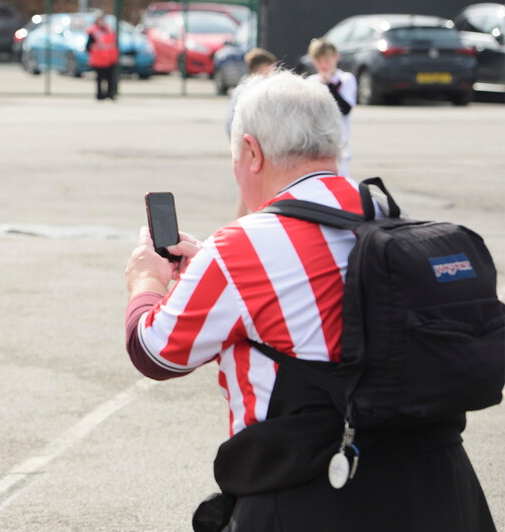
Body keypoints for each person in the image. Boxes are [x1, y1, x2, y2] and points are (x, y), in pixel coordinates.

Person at [123, 70, 494, 531]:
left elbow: (155, 352)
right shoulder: (388, 220)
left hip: (313, 494)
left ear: (252, 153)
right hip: (442, 488)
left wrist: (146, 282)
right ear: (333, 146)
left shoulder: (241, 248)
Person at [225, 47, 276, 218]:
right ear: (263, 68)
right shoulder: (257, 88)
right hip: (254, 147)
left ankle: (240, 225)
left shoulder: (242, 87)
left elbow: (230, 120)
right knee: (259, 191)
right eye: (272, 68)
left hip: (244, 146)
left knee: (246, 192)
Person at [307, 38, 356, 177]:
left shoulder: (346, 79)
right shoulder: (311, 81)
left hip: (339, 146)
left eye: (327, 60)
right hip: (315, 147)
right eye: (318, 61)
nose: (323, 65)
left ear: (336, 58)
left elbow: (345, 109)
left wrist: (330, 85)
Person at [86, 15, 119, 100]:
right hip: (99, 59)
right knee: (100, 78)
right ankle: (100, 95)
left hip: (110, 58)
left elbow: (113, 43)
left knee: (110, 78)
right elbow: (88, 46)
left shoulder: (109, 30)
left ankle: (110, 94)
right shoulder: (93, 32)